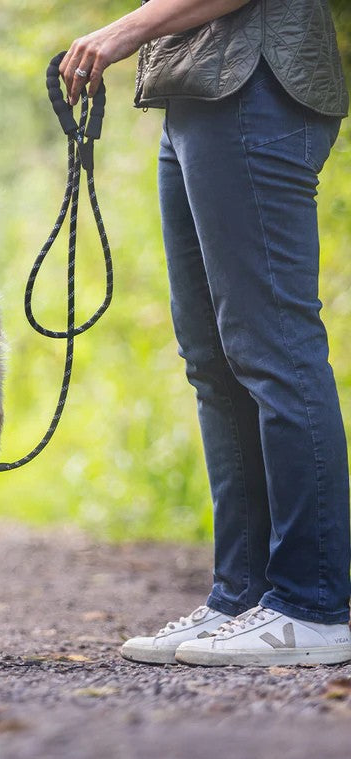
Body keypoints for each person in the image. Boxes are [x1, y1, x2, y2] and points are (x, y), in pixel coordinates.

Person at [61, 0, 351, 666]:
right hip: (197, 92)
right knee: (214, 359)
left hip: (255, 87)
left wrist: (123, 30)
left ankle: (311, 604)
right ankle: (242, 598)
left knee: (274, 349)